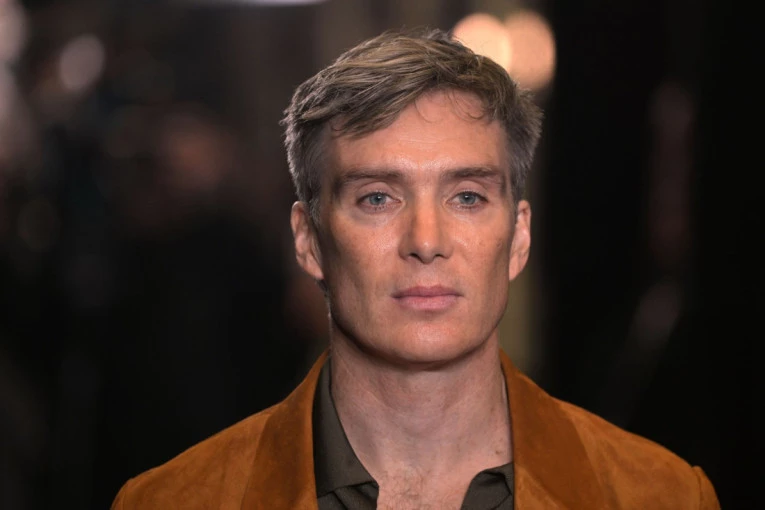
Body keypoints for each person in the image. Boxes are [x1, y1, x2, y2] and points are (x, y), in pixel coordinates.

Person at [110, 28, 720, 509]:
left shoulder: (661, 497)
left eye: (467, 197)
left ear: (518, 237)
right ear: (309, 241)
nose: (426, 242)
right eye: (378, 198)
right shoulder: (170, 502)